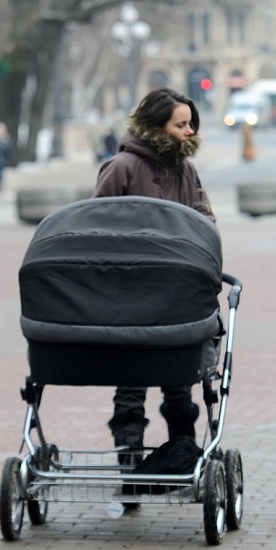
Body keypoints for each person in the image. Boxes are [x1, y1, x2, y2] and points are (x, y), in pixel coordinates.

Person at [92, 88, 218, 469]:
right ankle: (128, 463)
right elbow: (96, 227)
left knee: (180, 384)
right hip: (129, 298)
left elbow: (205, 222)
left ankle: (185, 460)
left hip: (178, 297)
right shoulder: (121, 168)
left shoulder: (186, 170)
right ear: (155, 127)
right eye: (180, 124)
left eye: (191, 124)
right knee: (131, 384)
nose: (189, 131)